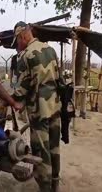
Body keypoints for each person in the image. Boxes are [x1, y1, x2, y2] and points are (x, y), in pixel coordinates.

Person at [11, 21, 62, 192]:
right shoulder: (50, 50)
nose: (18, 44)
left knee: (41, 152)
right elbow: (58, 78)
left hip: (39, 111)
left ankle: (45, 188)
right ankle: (55, 183)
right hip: (55, 106)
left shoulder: (26, 56)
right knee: (54, 147)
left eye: (18, 40)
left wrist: (10, 99)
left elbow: (21, 90)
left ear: (23, 35)